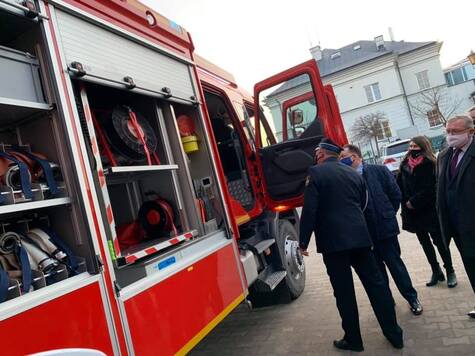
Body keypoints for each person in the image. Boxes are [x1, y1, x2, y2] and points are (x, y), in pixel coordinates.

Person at [299, 138, 403, 352]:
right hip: (361, 239)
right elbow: (363, 203)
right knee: (377, 286)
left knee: (344, 292)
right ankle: (395, 334)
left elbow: (309, 210)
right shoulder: (353, 173)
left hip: (333, 243)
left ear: (320, 155)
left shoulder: (315, 173)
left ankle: (354, 340)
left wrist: (303, 242)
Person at [340, 144, 422, 315]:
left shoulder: (379, 171)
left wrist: (387, 213)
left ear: (354, 157)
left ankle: (412, 298)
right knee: (377, 271)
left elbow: (395, 194)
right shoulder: (345, 177)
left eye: (343, 157)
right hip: (365, 235)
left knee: (396, 266)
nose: (341, 160)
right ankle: (387, 301)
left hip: (385, 229)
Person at [397, 136, 457, 288]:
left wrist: (414, 201)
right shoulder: (404, 164)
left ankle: (450, 270)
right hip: (412, 212)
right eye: (410, 146)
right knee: (424, 243)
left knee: (439, 242)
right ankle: (436, 270)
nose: (412, 149)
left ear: (423, 147)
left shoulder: (430, 163)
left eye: (415, 146)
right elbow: (399, 186)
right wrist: (404, 203)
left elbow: (432, 187)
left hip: (429, 210)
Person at [437, 115, 475, 318]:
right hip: (458, 228)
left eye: (456, 132)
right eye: (448, 131)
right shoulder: (444, 156)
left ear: (471, 132)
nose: (451, 136)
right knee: (471, 267)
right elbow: (442, 190)